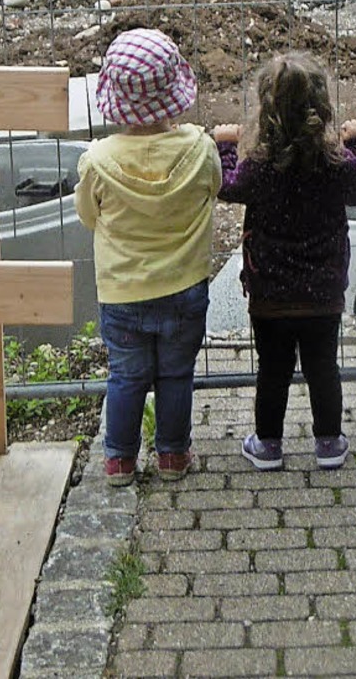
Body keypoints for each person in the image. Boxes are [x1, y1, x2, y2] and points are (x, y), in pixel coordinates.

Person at [212, 51, 356, 471]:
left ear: (266, 109)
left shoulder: (260, 165)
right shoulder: (335, 162)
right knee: (324, 366)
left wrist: (227, 148)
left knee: (273, 370)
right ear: (322, 107)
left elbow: (228, 188)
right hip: (323, 290)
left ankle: (268, 445)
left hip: (270, 291)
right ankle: (329, 443)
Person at [75, 27, 221, 486]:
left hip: (122, 293)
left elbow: (87, 216)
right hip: (184, 286)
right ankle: (173, 457)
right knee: (177, 375)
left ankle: (119, 460)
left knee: (126, 376)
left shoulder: (97, 160)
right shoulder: (199, 148)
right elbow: (214, 188)